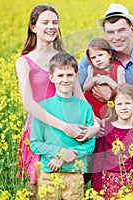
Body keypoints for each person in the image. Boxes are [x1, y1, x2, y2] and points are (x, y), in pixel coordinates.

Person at [15, 5, 99, 199]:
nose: (51, 26)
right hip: (41, 129)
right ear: (33, 27)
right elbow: (28, 103)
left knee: (71, 187)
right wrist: (64, 127)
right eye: (45, 22)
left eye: (55, 22)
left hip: (69, 130)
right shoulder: (24, 61)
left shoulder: (63, 58)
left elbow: (79, 97)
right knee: (37, 190)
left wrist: (95, 125)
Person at [30, 52, 96, 200]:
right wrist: (59, 152)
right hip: (49, 172)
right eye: (60, 75)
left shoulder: (85, 108)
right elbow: (35, 143)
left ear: (76, 75)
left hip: (75, 173)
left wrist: (64, 157)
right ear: (51, 77)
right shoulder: (42, 108)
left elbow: (90, 145)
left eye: (69, 75)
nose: (65, 80)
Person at [78, 3, 133, 103]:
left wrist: (111, 98)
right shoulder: (93, 59)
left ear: (132, 30)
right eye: (110, 32)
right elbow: (74, 92)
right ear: (105, 34)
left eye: (121, 30)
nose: (116, 37)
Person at [91, 84, 133, 199]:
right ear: (113, 106)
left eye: (127, 103)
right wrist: (97, 190)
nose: (124, 107)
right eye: (119, 104)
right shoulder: (106, 127)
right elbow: (99, 160)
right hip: (109, 184)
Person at [83, 37, 126, 119]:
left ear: (109, 54)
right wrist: (93, 80)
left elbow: (123, 91)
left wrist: (108, 81)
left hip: (109, 106)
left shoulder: (118, 69)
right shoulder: (91, 69)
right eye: (93, 57)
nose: (98, 59)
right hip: (93, 104)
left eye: (100, 55)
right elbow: (85, 88)